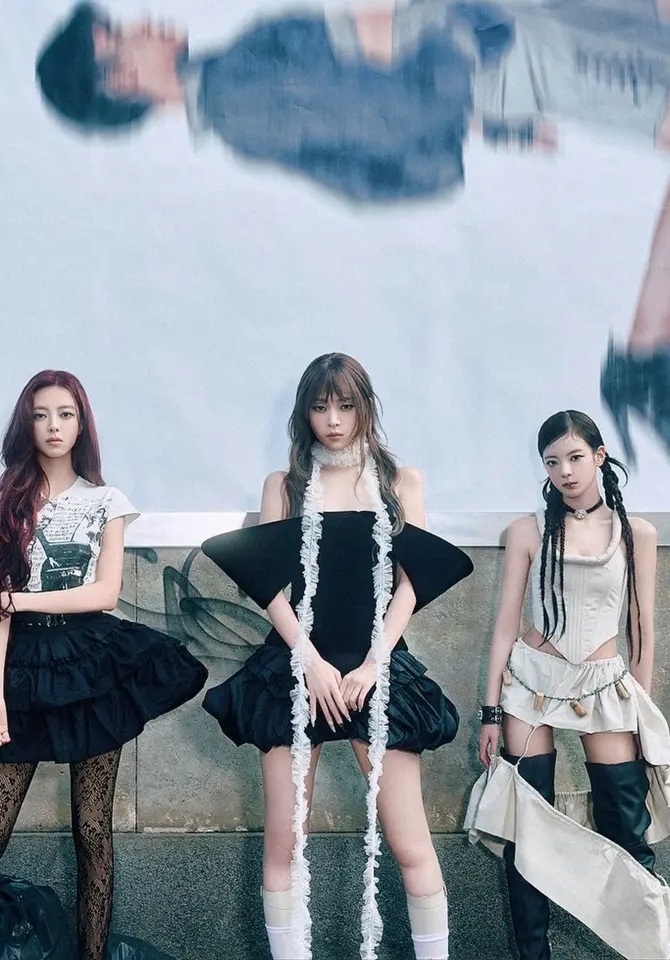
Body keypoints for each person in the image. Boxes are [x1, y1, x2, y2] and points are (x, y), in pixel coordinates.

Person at [37, 0, 670, 465]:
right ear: (120, 80)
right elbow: (378, 117)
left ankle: (643, 364)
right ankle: (642, 363)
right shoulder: (238, 91)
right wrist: (470, 82)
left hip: (488, 35)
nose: (141, 22)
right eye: (121, 34)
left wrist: (481, 116)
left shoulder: (233, 86)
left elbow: (373, 118)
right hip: (496, 41)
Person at [0, 370, 208, 960]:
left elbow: (104, 593)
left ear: (81, 423)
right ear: (26, 423)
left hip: (91, 663)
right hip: (20, 667)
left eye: (65, 414)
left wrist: (17, 601)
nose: (53, 426)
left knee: (93, 833)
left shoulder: (106, 502)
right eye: (41, 414)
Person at [200, 353, 474, 959]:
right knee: (285, 843)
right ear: (304, 412)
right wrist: (310, 662)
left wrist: (375, 664)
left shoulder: (402, 482)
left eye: (345, 406)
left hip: (379, 667)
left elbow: (412, 584)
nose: (332, 420)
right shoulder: (284, 485)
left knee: (410, 843)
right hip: (294, 668)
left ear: (365, 408)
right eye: (320, 407)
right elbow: (266, 585)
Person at [463, 409, 670, 960]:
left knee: (626, 822)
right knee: (527, 827)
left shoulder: (636, 533)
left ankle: (646, 949)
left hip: (603, 686)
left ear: (600, 456)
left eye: (575, 457)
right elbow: (506, 626)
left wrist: (640, 707)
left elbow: (641, 629)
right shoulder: (527, 531)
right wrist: (490, 711)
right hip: (531, 684)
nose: (565, 470)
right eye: (552, 462)